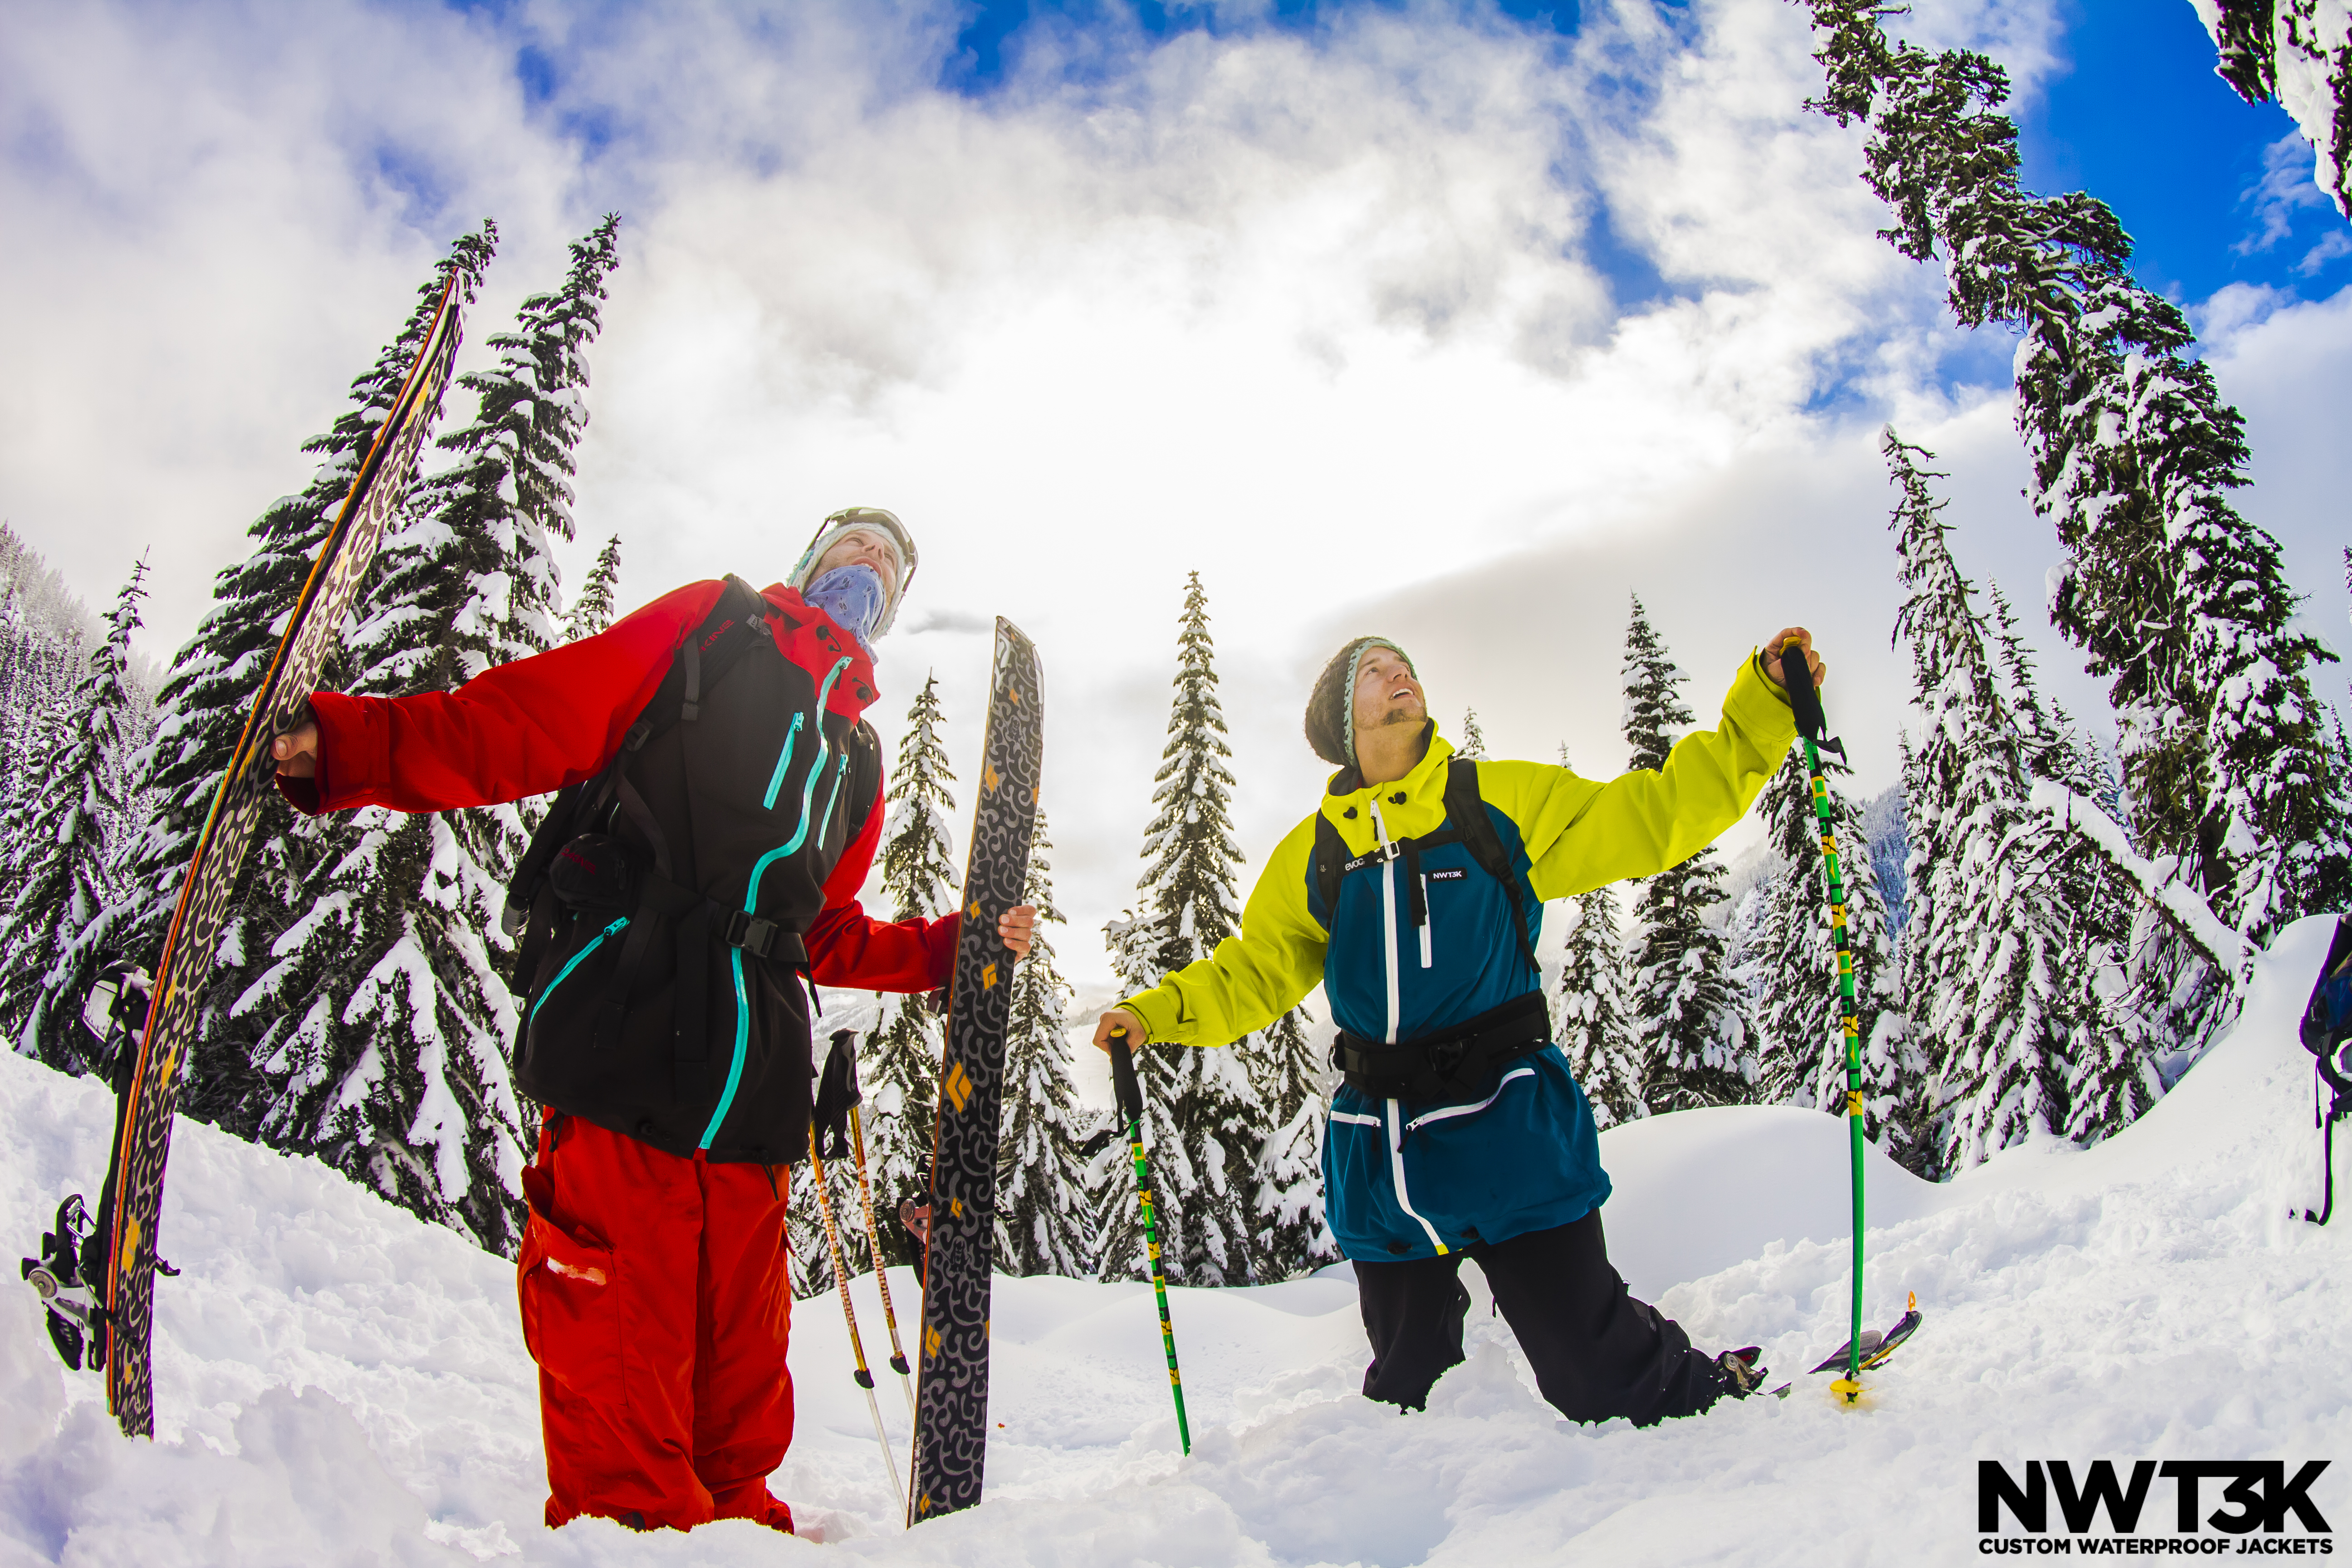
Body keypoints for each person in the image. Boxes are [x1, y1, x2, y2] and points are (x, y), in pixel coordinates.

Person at [272, 508, 1035, 1533]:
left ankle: (745, 1546)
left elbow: (822, 929)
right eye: (855, 546)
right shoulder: (713, 629)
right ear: (810, 562)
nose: (871, 566)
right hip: (627, 1035)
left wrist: (948, 953)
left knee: (739, 1405)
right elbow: (528, 718)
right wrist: (352, 747)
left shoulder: (855, 756)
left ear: (888, 614)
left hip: (753, 1097)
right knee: (622, 1398)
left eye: (890, 570)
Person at [1093, 628, 1823, 1424]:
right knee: (1409, 1397)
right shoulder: (1314, 854)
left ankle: (1709, 1395)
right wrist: (1151, 1014)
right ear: (1341, 722)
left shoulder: (1497, 802)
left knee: (1597, 1375)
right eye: (1374, 672)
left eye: (1403, 664)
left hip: (1510, 1128)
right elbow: (1252, 973)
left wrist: (1764, 707)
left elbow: (1655, 814)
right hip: (1386, 1155)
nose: (1399, 674)